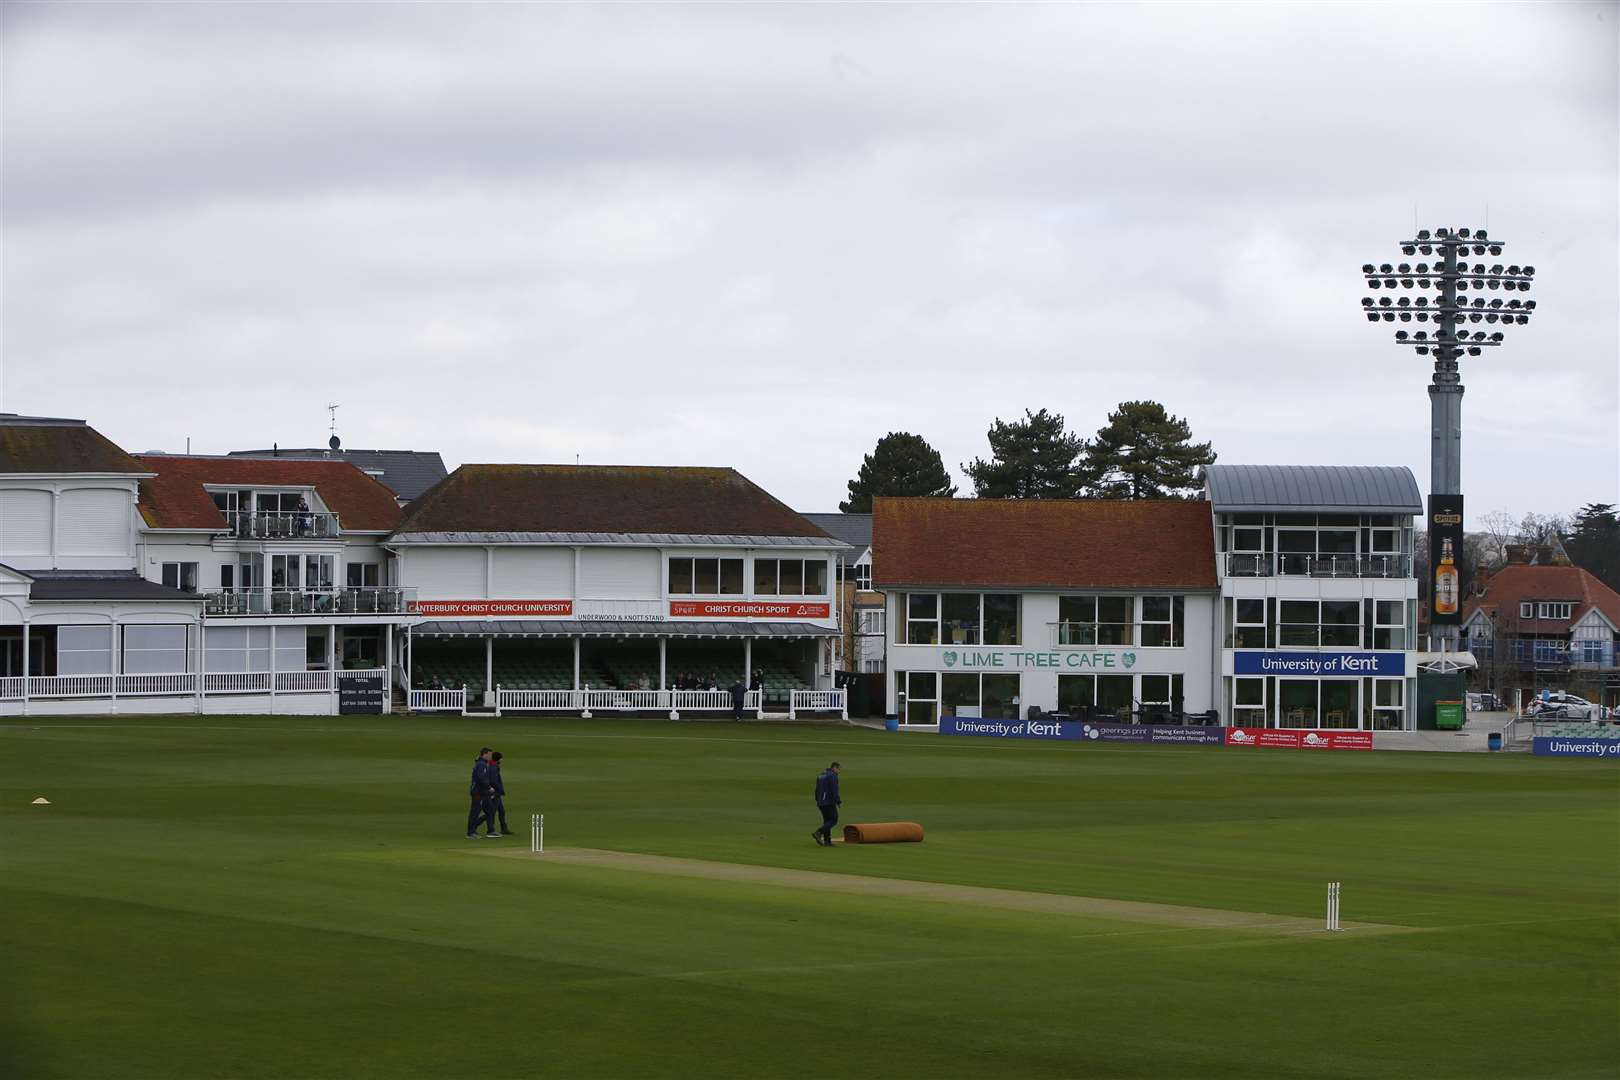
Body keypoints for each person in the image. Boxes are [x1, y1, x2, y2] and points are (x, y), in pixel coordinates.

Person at [467, 747, 495, 839]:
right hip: (478, 792)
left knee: (490, 809)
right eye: (490, 754)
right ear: (485, 754)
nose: (491, 756)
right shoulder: (481, 764)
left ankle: (490, 831)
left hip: (483, 792)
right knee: (475, 811)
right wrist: (489, 787)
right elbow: (481, 778)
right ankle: (471, 832)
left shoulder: (483, 763)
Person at [811, 761, 841, 847]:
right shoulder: (832, 776)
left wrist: (817, 799)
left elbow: (816, 790)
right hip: (828, 801)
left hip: (821, 802)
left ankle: (827, 841)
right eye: (838, 769)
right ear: (834, 768)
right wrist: (837, 800)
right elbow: (834, 789)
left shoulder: (821, 775)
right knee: (834, 819)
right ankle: (819, 832)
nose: (838, 771)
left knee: (827, 821)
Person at [488, 751, 509, 837]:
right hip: (495, 792)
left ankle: (504, 829)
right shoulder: (493, 767)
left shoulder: (494, 766)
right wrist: (499, 789)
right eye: (501, 758)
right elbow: (494, 781)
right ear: (498, 759)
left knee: (501, 811)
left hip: (497, 792)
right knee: (492, 812)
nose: (502, 760)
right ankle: (490, 830)